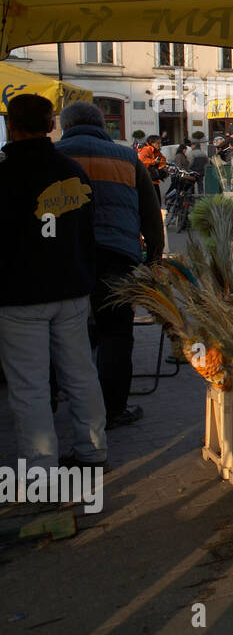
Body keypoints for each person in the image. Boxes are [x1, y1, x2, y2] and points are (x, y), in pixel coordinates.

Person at [0, 95, 107, 469]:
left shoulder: (4, 173)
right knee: (80, 375)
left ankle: (41, 467)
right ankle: (93, 450)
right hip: (71, 287)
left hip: (20, 294)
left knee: (29, 386)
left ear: (11, 126)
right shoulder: (71, 171)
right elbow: (86, 231)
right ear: (50, 126)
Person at [55, 101, 166, 430]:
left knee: (65, 331)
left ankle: (64, 401)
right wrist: (154, 256)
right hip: (118, 254)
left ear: (65, 125)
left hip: (67, 255)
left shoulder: (56, 154)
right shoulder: (126, 157)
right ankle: (113, 408)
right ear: (102, 125)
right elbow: (150, 210)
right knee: (116, 332)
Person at [137, 134, 167, 203]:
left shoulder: (156, 151)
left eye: (160, 143)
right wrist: (154, 162)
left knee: (157, 202)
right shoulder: (146, 150)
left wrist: (162, 168)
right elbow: (141, 160)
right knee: (151, 202)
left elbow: (162, 160)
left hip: (153, 180)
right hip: (147, 180)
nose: (160, 145)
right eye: (158, 143)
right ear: (152, 143)